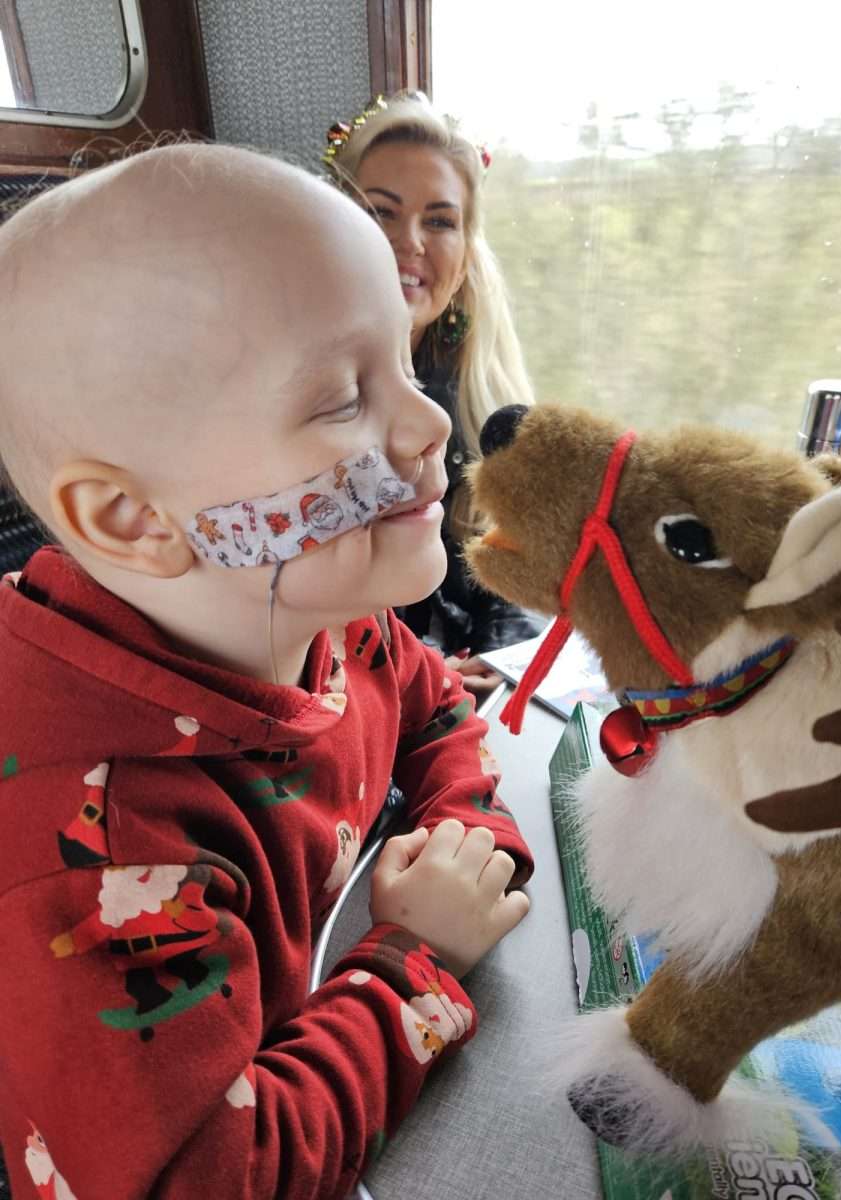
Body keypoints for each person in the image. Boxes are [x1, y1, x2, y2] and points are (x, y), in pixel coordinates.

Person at [0, 143, 533, 1200]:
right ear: (134, 519)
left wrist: (464, 837)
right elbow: (209, 1181)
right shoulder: (92, 857)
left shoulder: (324, 617)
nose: (429, 425)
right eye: (343, 399)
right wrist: (415, 961)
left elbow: (429, 707)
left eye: (404, 355)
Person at [327, 92, 545, 697]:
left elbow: (504, 566)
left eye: (441, 220)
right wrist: (422, 676)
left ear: (466, 249)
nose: (411, 242)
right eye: (382, 212)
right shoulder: (293, 393)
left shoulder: (477, 394)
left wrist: (507, 669)